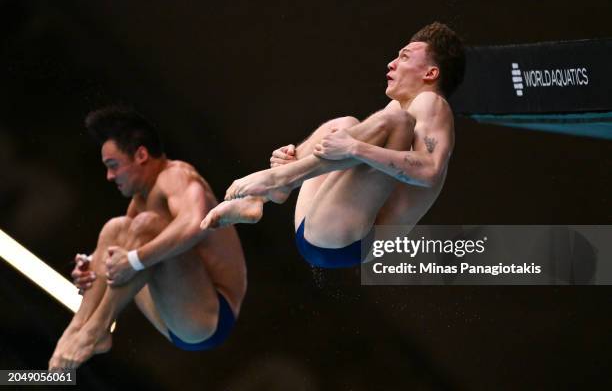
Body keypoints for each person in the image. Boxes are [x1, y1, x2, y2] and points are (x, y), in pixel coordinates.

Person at [201, 22, 465, 268]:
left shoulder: (433, 103)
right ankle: (263, 195)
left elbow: (430, 172)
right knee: (344, 123)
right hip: (321, 225)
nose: (392, 63)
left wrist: (354, 149)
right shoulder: (401, 107)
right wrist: (298, 155)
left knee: (391, 120)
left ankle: (279, 181)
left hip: (353, 240)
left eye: (405, 57)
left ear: (431, 73)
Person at [49, 106, 246, 369]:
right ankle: (78, 328)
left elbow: (194, 224)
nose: (109, 176)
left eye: (113, 165)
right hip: (173, 310)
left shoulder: (177, 176)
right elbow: (119, 253)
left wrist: (133, 260)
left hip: (210, 316)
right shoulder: (141, 199)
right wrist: (91, 267)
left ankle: (94, 330)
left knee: (145, 227)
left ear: (141, 154)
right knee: (115, 229)